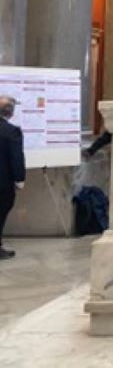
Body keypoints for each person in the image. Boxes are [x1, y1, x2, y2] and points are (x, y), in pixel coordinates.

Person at [0, 96, 25, 260]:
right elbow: (16, 157)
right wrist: (19, 180)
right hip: (3, 184)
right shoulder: (12, 131)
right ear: (11, 113)